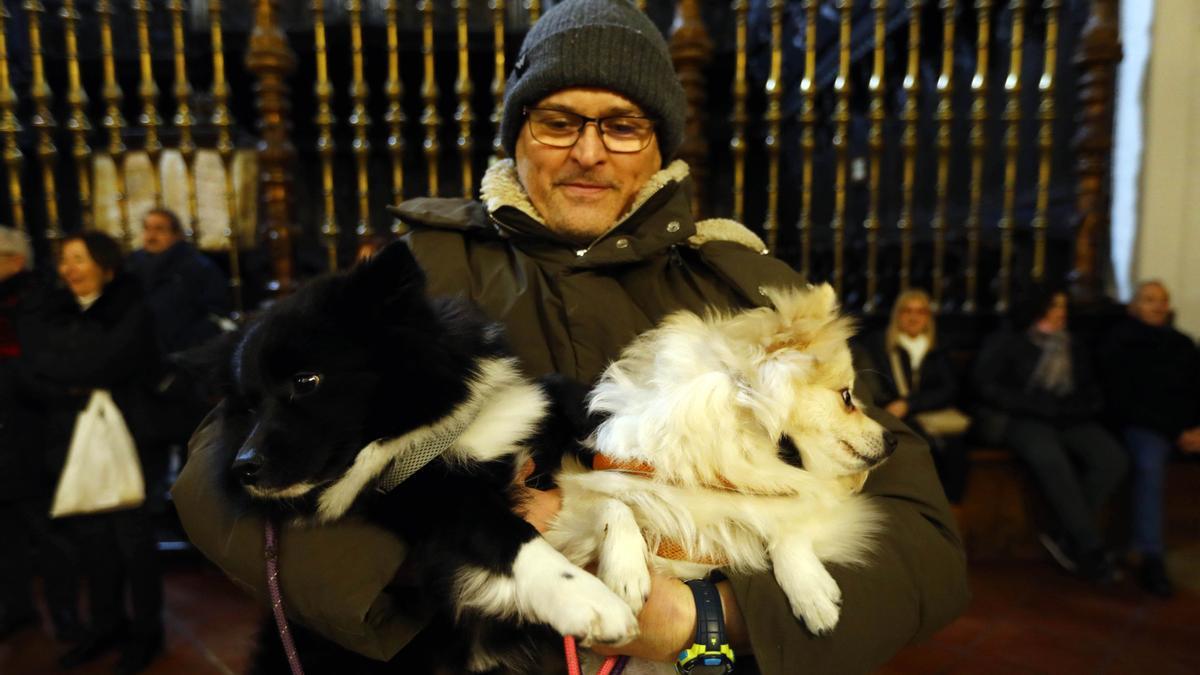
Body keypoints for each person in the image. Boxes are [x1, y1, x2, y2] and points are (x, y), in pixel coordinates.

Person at [171, 1, 969, 672]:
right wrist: (466, 581)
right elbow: (224, 460)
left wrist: (707, 618)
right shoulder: (419, 272)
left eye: (622, 125)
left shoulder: (750, 290)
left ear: (660, 145)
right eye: (559, 121)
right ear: (517, 134)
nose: (588, 151)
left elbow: (919, 534)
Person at [21, 232, 166, 673]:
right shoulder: (49, 310)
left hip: (131, 436)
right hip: (70, 436)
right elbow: (32, 371)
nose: (70, 269)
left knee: (134, 542)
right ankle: (106, 626)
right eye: (64, 261)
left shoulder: (133, 308)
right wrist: (69, 373)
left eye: (80, 259)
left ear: (106, 265)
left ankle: (146, 633)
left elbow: (99, 363)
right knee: (92, 543)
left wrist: (68, 370)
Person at [973, 285, 1127, 583]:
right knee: (1051, 459)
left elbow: (1092, 389)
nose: (1061, 312)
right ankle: (1090, 548)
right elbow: (986, 384)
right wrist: (1035, 404)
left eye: (1063, 306)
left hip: (1068, 417)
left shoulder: (1074, 345)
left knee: (1112, 458)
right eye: (1054, 306)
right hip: (1023, 417)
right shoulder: (1010, 341)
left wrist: (1076, 407)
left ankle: (1065, 533)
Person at [0, 227, 83, 644]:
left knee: (50, 533)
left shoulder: (37, 301)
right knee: (6, 532)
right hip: (8, 432)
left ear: (15, 260)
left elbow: (46, 368)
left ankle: (65, 613)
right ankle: (15, 608)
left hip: (36, 433)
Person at [1099, 280, 1200, 597]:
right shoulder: (1120, 343)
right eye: (1149, 300)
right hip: (1147, 427)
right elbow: (1124, 401)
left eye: (1162, 300)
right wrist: (1177, 431)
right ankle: (1151, 556)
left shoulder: (1183, 343)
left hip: (1188, 429)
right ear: (1134, 306)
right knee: (1149, 464)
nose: (1157, 306)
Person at [855, 289, 970, 503]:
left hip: (930, 414)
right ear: (897, 314)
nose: (914, 317)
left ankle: (951, 509)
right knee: (916, 446)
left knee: (955, 454)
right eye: (907, 311)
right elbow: (871, 384)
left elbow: (948, 389)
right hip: (892, 414)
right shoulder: (878, 345)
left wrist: (910, 403)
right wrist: (894, 406)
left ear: (929, 317)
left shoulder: (938, 347)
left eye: (921, 311)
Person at [126, 207, 229, 354]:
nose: (151, 236)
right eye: (147, 228)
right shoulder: (132, 264)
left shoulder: (198, 266)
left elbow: (215, 311)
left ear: (177, 234)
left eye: (159, 229)